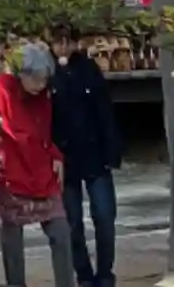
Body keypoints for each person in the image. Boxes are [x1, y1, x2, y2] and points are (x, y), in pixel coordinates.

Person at [0, 42, 75, 287]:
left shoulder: (41, 97)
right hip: (11, 169)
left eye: (44, 80)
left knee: (61, 232)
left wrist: (56, 155)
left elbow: (44, 133)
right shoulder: (0, 90)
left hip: (41, 169)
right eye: (36, 79)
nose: (40, 85)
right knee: (12, 240)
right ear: (21, 74)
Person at [53, 37, 122, 287]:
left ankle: (105, 273)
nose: (63, 47)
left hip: (95, 152)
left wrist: (112, 151)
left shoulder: (88, 69)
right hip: (64, 156)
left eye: (67, 41)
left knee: (104, 216)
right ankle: (83, 274)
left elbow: (105, 112)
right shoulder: (49, 72)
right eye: (58, 41)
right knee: (71, 221)